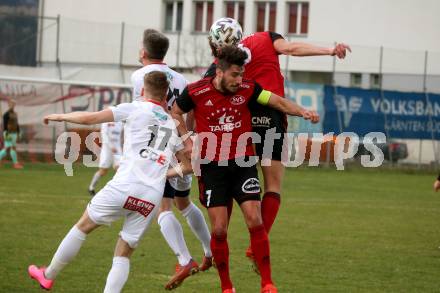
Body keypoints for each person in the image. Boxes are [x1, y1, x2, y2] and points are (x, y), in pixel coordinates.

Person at [205, 17, 351, 269]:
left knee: (229, 180)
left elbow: (205, 92)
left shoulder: (219, 66)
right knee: (273, 185)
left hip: (243, 120)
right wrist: (329, 50)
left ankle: (218, 243)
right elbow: (293, 48)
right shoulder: (265, 37)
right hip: (271, 114)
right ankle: (256, 244)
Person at [172, 45, 319, 293]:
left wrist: (302, 111)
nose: (239, 80)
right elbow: (175, 110)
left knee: (255, 218)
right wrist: (187, 140)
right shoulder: (196, 91)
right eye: (234, 75)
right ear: (219, 71)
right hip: (211, 168)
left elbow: (277, 101)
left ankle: (267, 283)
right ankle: (227, 287)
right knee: (219, 229)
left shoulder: (249, 89)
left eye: (241, 74)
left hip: (243, 163)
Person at [28, 71, 193, 293]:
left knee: (83, 226)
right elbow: (189, 166)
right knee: (123, 253)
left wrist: (61, 116)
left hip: (125, 185)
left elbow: (91, 118)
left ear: (143, 91)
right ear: (166, 95)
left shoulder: (135, 107)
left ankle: (48, 275)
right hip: (150, 196)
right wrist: (164, 174)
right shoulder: (173, 125)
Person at [131, 29, 212, 290]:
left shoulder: (138, 76)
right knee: (184, 202)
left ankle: (185, 259)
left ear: (143, 52)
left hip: (159, 145)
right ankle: (211, 251)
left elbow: (141, 111)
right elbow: (186, 111)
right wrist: (188, 140)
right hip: (182, 141)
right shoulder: (181, 78)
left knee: (163, 209)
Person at [88, 120, 123, 195]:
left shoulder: (120, 122)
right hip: (107, 149)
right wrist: (111, 146)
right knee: (103, 171)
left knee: (120, 169)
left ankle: (117, 190)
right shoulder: (106, 121)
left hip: (117, 149)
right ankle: (91, 187)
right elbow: (104, 134)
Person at [0, 99, 23, 169]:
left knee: (11, 148)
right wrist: (6, 133)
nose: (13, 105)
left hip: (14, 133)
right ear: (9, 104)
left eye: (14, 104)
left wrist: (19, 132)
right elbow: (5, 124)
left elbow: (16, 124)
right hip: (8, 133)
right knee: (9, 148)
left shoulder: (15, 114)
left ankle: (16, 164)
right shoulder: (6, 114)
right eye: (11, 103)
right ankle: (15, 164)